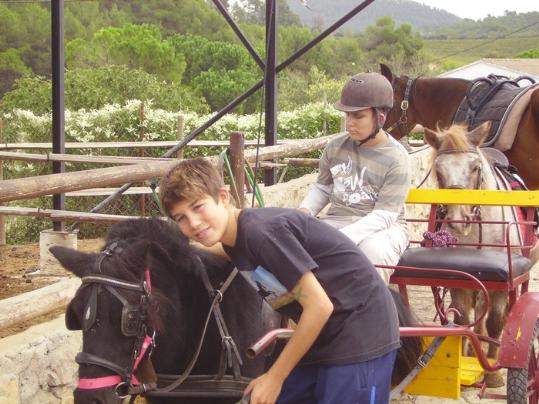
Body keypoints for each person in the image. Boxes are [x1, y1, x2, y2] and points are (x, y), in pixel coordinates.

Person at [159, 157, 400, 404]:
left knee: (273, 387)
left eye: (198, 207)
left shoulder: (261, 233)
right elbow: (209, 247)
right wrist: (164, 245)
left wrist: (275, 376)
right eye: (181, 218)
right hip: (326, 338)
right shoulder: (236, 242)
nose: (194, 223)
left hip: (361, 333)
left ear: (223, 196)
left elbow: (320, 306)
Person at [299, 72, 411, 284]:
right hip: (337, 221)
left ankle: (371, 314)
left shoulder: (397, 157)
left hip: (385, 229)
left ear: (380, 118)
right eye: (347, 115)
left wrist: (340, 239)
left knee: (372, 255)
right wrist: (304, 213)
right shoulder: (334, 147)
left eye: (358, 116)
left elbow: (385, 216)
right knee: (293, 254)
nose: (349, 123)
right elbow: (322, 188)